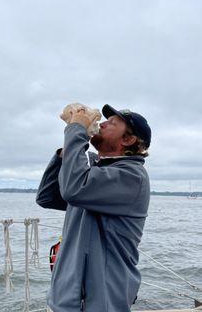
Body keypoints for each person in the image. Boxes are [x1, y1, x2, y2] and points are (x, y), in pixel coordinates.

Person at [36, 104, 151, 312]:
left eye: (112, 123)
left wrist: (76, 131)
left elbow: (73, 188)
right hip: (64, 299)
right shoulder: (92, 171)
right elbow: (46, 197)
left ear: (128, 140)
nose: (102, 124)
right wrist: (66, 152)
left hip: (99, 303)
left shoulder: (132, 177)